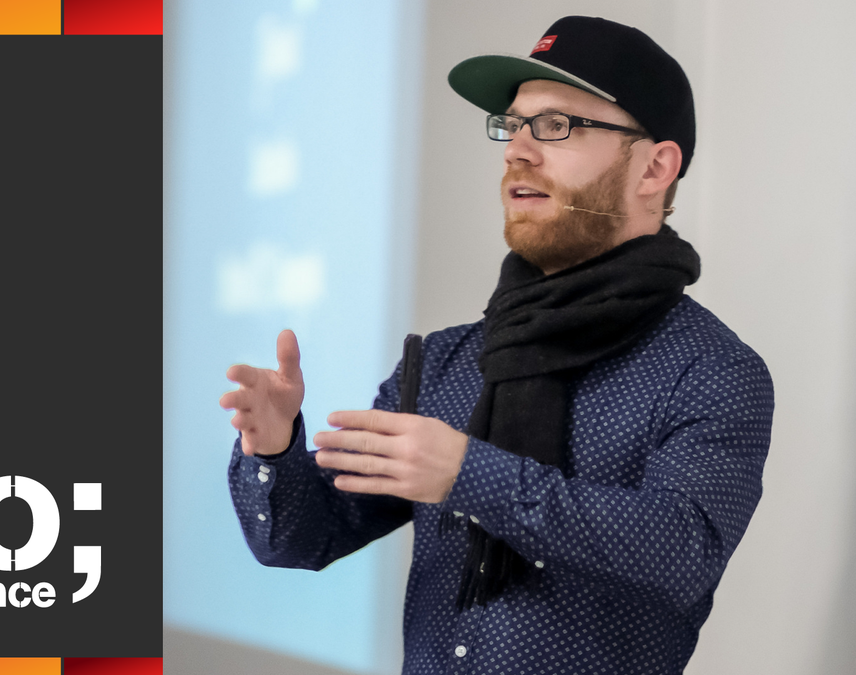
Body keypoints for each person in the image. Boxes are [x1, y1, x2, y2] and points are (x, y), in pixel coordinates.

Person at [219, 15, 775, 675]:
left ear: (655, 167)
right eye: (512, 126)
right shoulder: (447, 362)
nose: (518, 150)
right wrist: (274, 447)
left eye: (557, 125)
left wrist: (469, 474)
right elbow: (300, 538)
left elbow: (683, 552)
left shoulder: (711, 370)